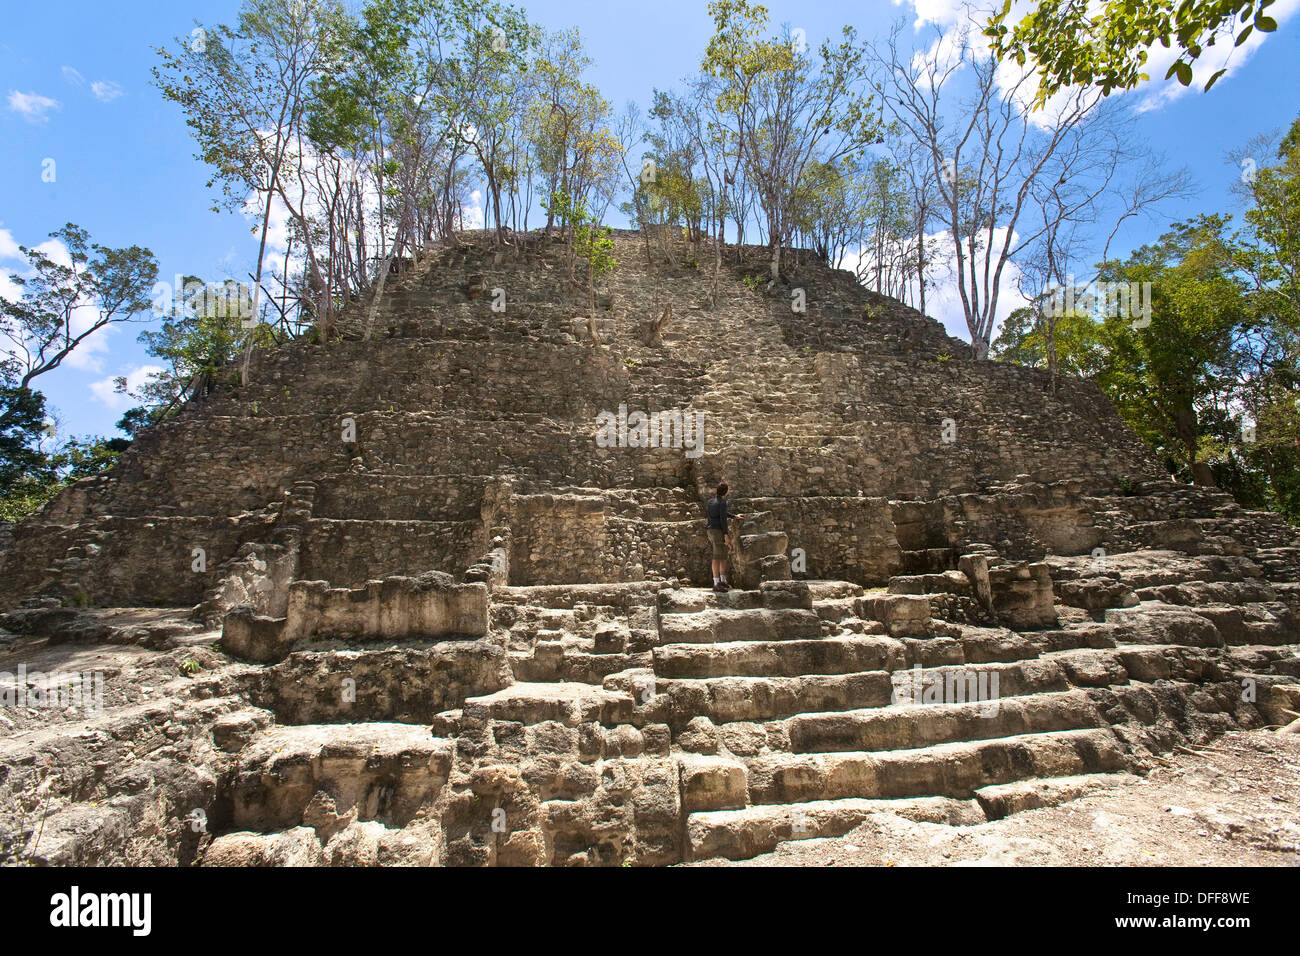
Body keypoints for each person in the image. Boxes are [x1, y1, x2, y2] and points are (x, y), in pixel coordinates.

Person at [706, 483, 744, 592]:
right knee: (717, 556)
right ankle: (716, 583)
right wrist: (726, 535)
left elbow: (722, 514)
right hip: (718, 531)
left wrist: (734, 516)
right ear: (726, 492)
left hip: (711, 530)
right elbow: (723, 519)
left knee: (722, 555)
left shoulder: (710, 502)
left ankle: (723, 581)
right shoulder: (722, 502)